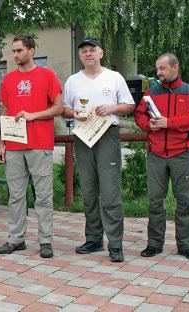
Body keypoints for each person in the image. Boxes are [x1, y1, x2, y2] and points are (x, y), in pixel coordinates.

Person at [62, 38, 135, 262]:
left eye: (92, 50)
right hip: (83, 136)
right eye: (83, 51)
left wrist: (112, 107)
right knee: (89, 190)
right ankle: (93, 239)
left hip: (107, 135)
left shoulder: (114, 77)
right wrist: (74, 113)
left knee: (110, 191)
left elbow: (130, 105)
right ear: (80, 55)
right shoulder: (73, 81)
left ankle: (115, 244)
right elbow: (64, 109)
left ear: (101, 52)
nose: (88, 54)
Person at [135, 53, 189, 260]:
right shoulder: (151, 92)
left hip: (181, 154)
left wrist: (170, 123)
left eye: (162, 69)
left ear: (175, 68)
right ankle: (154, 244)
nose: (158, 73)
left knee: (184, 201)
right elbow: (139, 114)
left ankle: (185, 245)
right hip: (155, 154)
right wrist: (147, 125)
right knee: (155, 201)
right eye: (157, 68)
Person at [0, 35, 63, 258]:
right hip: (14, 145)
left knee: (43, 196)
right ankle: (16, 239)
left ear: (31, 51)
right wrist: (2, 143)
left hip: (39, 143)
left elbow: (58, 107)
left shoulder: (47, 75)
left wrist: (33, 116)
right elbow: (5, 112)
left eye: (19, 51)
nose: (15, 55)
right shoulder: (8, 79)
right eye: (13, 51)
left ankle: (45, 241)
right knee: (15, 196)